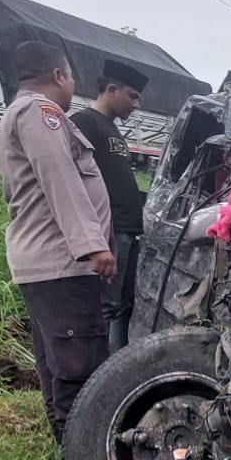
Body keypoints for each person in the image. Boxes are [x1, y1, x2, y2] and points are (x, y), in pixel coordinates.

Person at [0, 41, 115, 443]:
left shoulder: (23, 113)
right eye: (71, 78)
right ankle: (85, 453)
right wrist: (93, 245)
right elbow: (59, 177)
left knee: (56, 362)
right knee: (79, 363)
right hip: (62, 262)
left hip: (48, 261)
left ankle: (67, 447)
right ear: (59, 75)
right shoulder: (39, 112)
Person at [69, 61, 149, 353]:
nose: (136, 104)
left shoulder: (112, 129)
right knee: (107, 305)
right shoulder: (85, 122)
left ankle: (118, 366)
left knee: (123, 305)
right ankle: (97, 371)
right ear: (111, 89)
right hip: (110, 230)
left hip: (127, 231)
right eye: (132, 95)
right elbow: (76, 179)